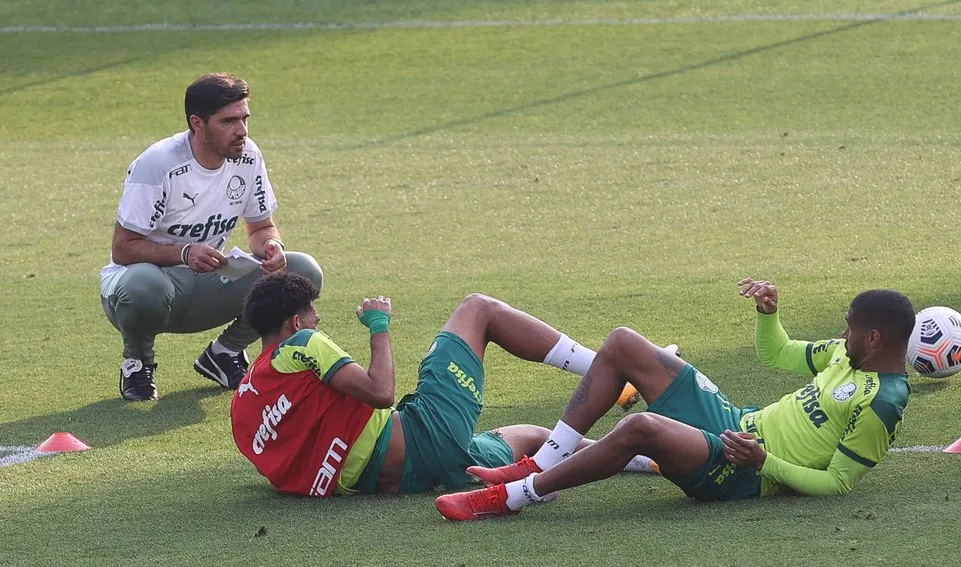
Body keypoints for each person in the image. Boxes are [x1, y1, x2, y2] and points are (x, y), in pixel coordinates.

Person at [435, 278, 915, 520]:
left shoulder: (883, 401)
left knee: (641, 428)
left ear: (872, 337)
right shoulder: (846, 357)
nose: (842, 332)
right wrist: (768, 314)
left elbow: (837, 483)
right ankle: (542, 462)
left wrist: (764, 461)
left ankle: (513, 498)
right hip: (736, 422)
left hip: (741, 470)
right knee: (623, 342)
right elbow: (779, 353)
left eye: (849, 326)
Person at [230, 272, 657, 497]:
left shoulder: (244, 402)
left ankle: (647, 458)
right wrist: (378, 326)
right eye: (313, 316)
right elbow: (381, 393)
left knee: (535, 437)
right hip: (422, 438)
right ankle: (607, 371)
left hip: (405, 480)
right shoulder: (302, 344)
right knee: (478, 309)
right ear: (295, 322)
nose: (317, 322)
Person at [99, 73, 323, 401]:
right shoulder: (158, 164)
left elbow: (261, 228)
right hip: (149, 288)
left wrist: (272, 245)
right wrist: (185, 252)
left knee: (301, 271)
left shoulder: (248, 156)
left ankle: (225, 353)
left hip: (211, 282)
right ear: (198, 124)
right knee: (144, 285)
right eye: (229, 121)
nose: (242, 131)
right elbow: (123, 248)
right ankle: (137, 364)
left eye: (244, 119)